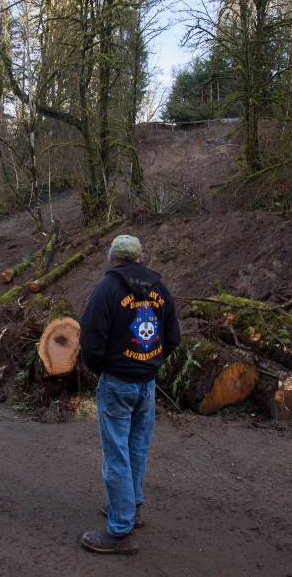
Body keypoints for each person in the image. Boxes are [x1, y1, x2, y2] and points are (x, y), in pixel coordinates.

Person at [78, 235, 180, 555]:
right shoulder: (159, 290)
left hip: (118, 381)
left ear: (113, 259)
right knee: (136, 446)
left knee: (117, 452)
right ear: (139, 258)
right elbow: (173, 337)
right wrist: (151, 363)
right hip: (146, 383)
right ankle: (130, 507)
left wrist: (102, 368)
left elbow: (91, 339)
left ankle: (120, 528)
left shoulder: (106, 290)